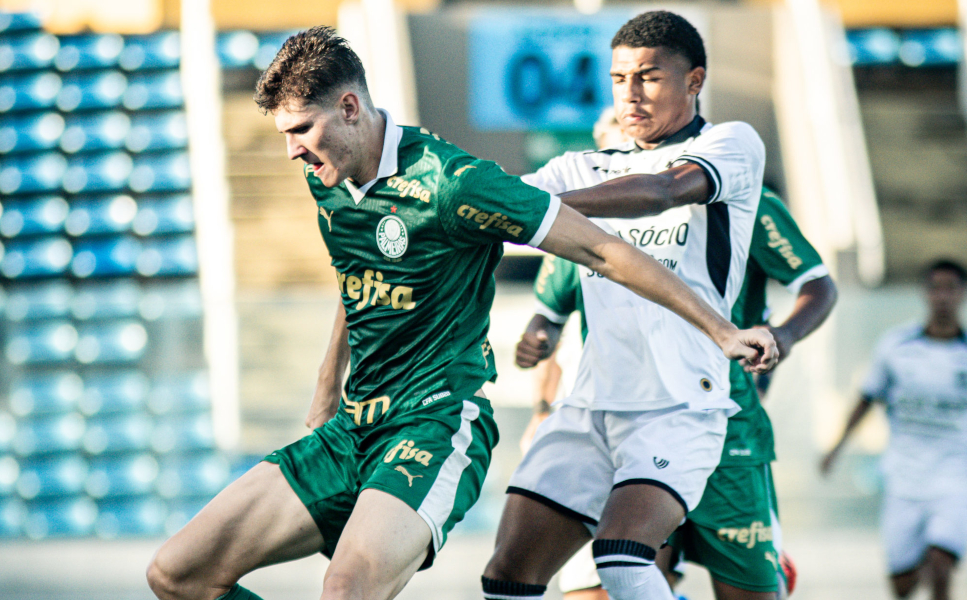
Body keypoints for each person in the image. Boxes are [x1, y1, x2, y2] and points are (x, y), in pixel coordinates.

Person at [144, 26, 777, 600]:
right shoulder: (328, 174)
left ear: (349, 107)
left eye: (301, 131)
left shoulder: (457, 182)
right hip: (390, 424)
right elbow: (358, 272)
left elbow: (616, 236)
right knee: (175, 575)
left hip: (459, 421)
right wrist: (325, 388)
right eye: (619, 78)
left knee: (626, 562)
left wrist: (723, 330)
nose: (292, 153)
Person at [481, 11, 772, 600]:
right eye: (618, 79)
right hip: (589, 405)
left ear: (694, 80)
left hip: (680, 403)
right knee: (508, 576)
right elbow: (496, 207)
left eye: (649, 77)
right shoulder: (581, 166)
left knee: (621, 557)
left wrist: (544, 212)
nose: (630, 94)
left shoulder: (731, 143)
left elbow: (661, 192)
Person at [520, 185, 836, 600]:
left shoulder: (745, 200)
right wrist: (540, 357)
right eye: (609, 136)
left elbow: (817, 284)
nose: (625, 129)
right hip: (623, 425)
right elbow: (551, 310)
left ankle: (766, 565)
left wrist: (784, 335)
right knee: (606, 582)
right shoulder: (592, 208)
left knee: (747, 591)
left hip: (726, 429)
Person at [821, 259, 967, 600]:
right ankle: (913, 562)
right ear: (925, 293)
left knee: (941, 560)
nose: (943, 297)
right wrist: (836, 447)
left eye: (951, 288)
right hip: (904, 477)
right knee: (901, 584)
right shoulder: (896, 346)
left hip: (955, 477)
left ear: (961, 294)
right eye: (936, 288)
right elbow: (866, 398)